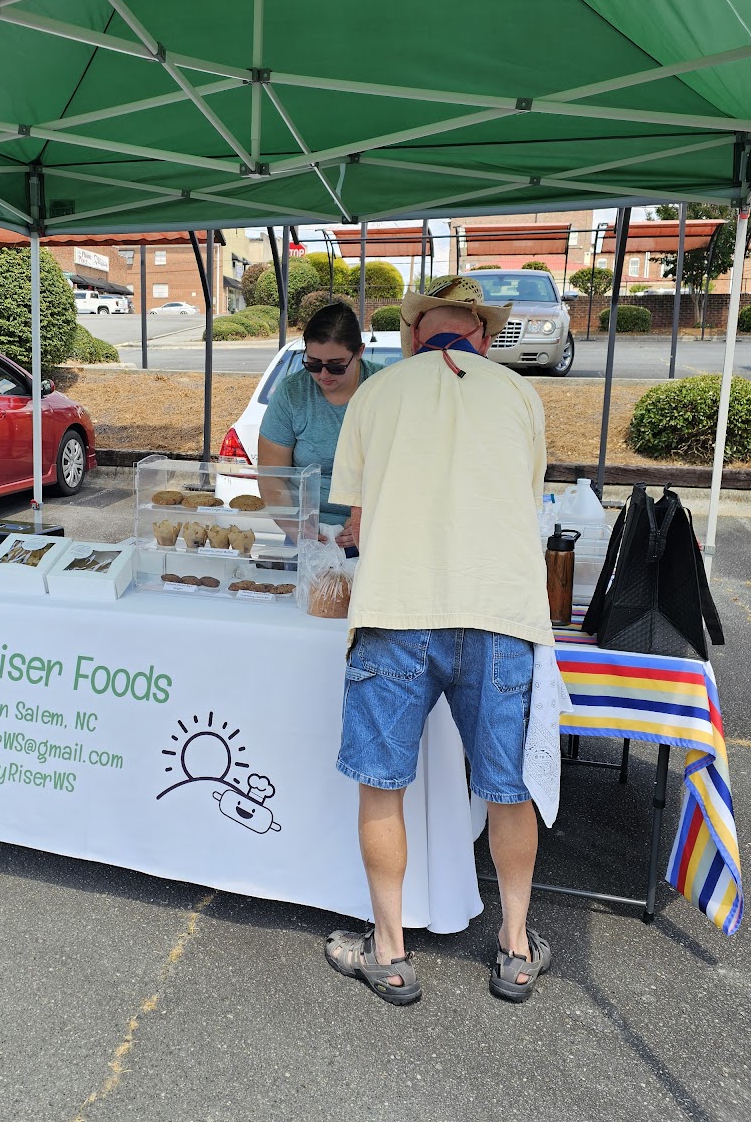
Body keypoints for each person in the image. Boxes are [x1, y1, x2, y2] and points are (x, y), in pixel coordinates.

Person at [321, 276, 554, 1006]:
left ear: (417, 334)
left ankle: (389, 952)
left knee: (382, 783)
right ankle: (516, 946)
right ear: (482, 336)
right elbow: (526, 497)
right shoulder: (520, 395)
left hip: (397, 606)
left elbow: (355, 516)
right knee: (509, 790)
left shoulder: (376, 395)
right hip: (501, 611)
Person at [257, 302, 380, 549]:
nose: (324, 374)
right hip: (304, 530)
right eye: (313, 363)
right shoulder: (292, 392)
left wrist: (363, 520)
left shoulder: (383, 388)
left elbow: (402, 470)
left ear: (360, 352)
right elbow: (272, 476)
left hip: (374, 529)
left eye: (336, 365)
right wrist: (297, 528)